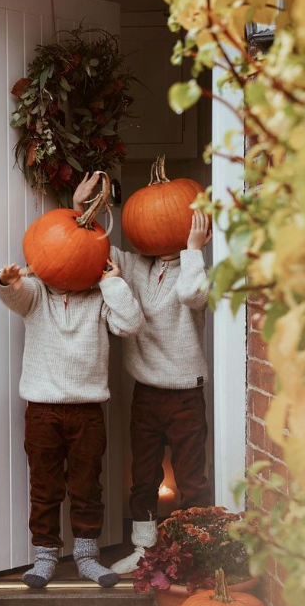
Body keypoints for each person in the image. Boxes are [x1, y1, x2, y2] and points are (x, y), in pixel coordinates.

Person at [0, 191, 142, 588]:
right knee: (45, 486)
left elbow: (129, 324)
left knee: (85, 487)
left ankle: (87, 556)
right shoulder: (37, 294)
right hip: (42, 409)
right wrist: (8, 281)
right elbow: (15, 295)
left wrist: (113, 284)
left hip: (87, 409)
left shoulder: (99, 298)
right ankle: (44, 555)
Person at [74, 173, 212, 575]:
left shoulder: (195, 270)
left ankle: (196, 553)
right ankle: (145, 549)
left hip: (186, 392)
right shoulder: (133, 266)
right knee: (144, 476)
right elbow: (89, 248)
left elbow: (192, 295)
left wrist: (193, 249)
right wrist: (82, 208)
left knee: (191, 477)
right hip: (146, 392)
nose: (155, 223)